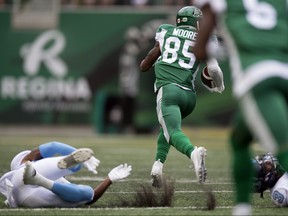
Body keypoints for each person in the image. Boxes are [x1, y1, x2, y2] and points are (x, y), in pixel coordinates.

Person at [193, 0, 288, 215]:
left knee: (283, 150)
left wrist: (214, 51)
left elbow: (199, 50)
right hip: (285, 72)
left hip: (258, 78)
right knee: (239, 139)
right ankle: (242, 209)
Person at [139, 6, 225, 187]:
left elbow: (145, 65)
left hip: (168, 90)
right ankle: (157, 165)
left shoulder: (165, 30)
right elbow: (214, 69)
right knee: (168, 129)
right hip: (189, 97)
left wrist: (147, 63)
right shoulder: (205, 38)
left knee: (173, 131)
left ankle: (194, 152)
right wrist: (220, 86)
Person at [0, 141, 132, 208]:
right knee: (85, 194)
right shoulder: (24, 162)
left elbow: (53, 146)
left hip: (21, 191)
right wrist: (108, 179)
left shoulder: (25, 165)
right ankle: (40, 179)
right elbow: (53, 146)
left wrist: (109, 178)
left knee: (82, 192)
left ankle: (41, 177)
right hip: (28, 189)